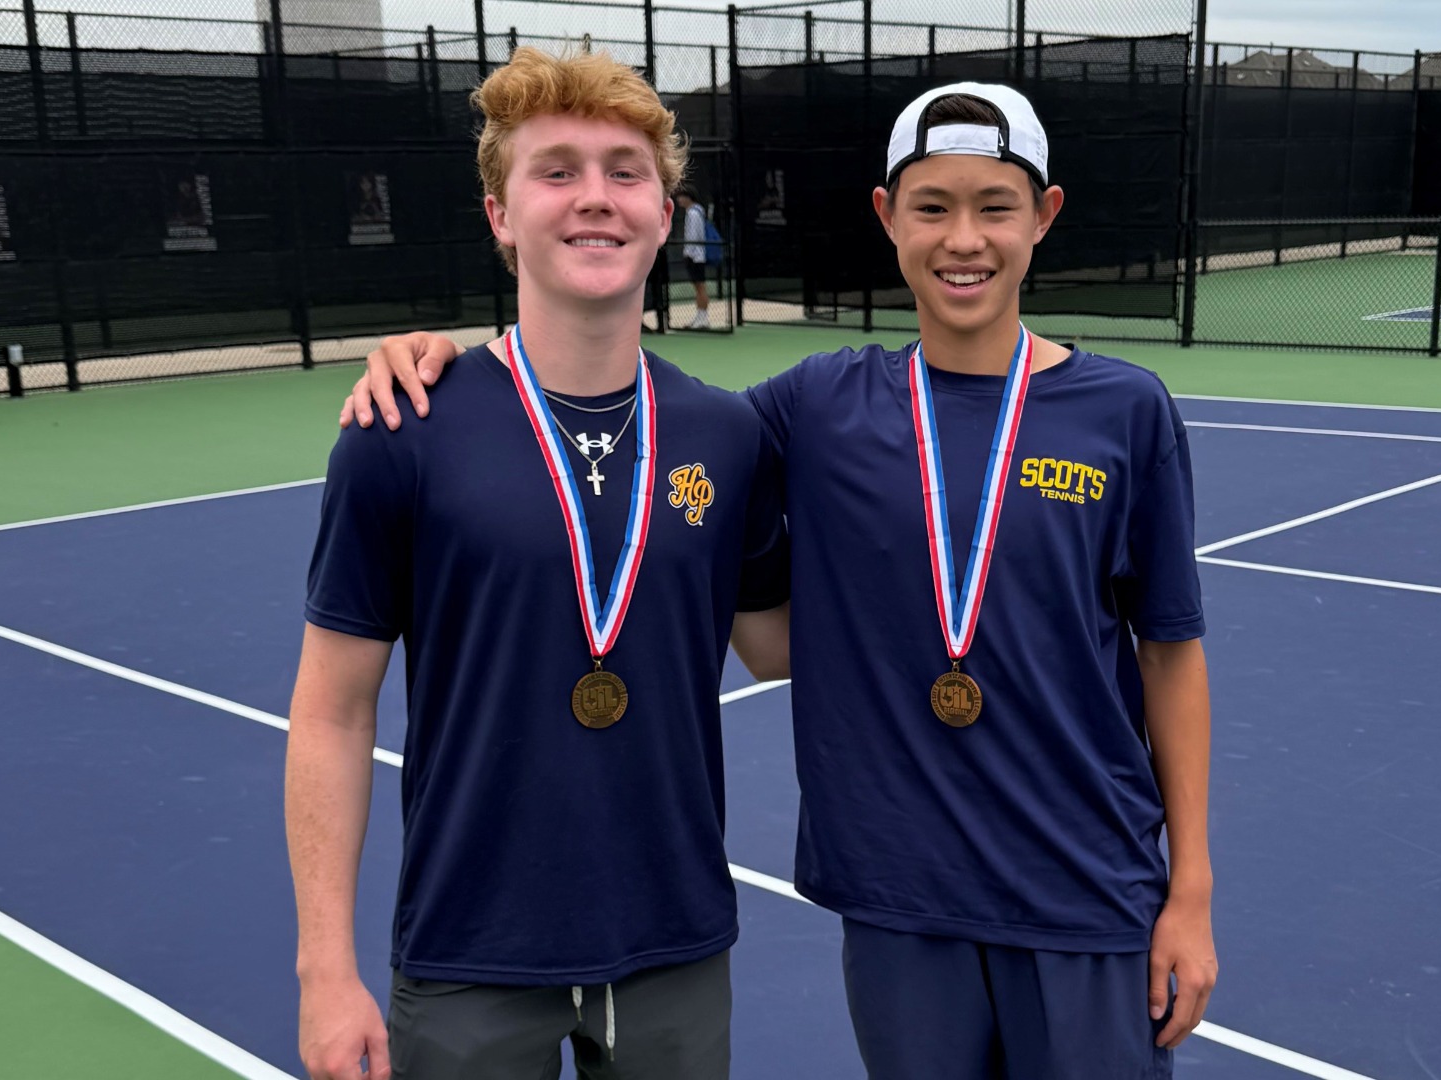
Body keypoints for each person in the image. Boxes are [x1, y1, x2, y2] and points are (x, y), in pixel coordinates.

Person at [341, 82, 1218, 1080]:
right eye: (932, 206)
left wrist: (1187, 892)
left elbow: (1170, 654)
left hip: (1085, 889)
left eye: (994, 206)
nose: (962, 238)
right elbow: (625, 401)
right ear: (888, 217)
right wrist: (452, 361)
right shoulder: (818, 405)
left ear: (1044, 215)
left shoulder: (1124, 411)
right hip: (899, 898)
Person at [286, 46, 790, 1080]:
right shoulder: (403, 429)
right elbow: (332, 712)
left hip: (674, 945)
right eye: (556, 171)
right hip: (472, 952)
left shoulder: (727, 436)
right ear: (500, 217)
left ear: (665, 211)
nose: (594, 198)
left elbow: (780, 650)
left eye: (623, 172)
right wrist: (324, 972)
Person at [676, 188, 712, 328]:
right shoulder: (696, 211)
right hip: (697, 256)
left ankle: (703, 319)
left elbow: (693, 236)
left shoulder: (693, 213)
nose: (678, 200)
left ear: (688, 197)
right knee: (699, 287)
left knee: (700, 287)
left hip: (695, 257)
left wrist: (689, 254)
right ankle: (700, 317)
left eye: (681, 197)